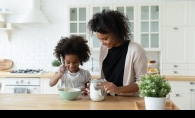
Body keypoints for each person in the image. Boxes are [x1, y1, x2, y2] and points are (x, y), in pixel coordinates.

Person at [87, 9, 148, 96]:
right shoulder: (103, 49)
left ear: (116, 33)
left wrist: (119, 89)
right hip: (108, 99)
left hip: (128, 101)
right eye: (99, 39)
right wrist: (95, 86)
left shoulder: (136, 50)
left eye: (105, 39)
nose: (102, 42)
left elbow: (143, 83)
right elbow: (105, 78)